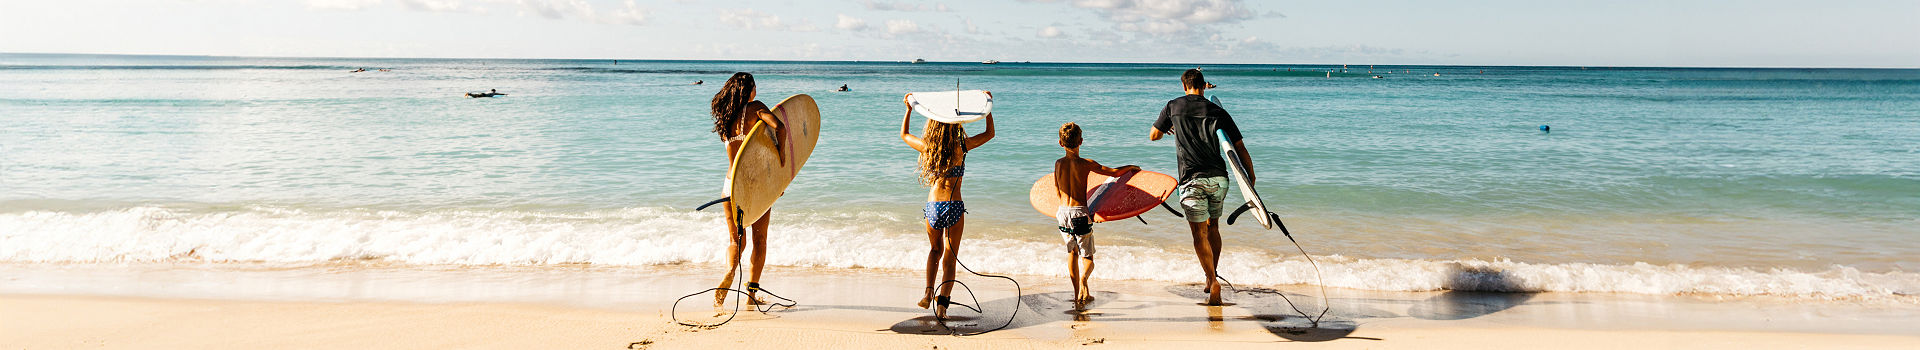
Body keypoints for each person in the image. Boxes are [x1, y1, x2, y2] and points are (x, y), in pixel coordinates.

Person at [1147, 68, 1249, 306]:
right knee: (1214, 227)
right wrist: (1249, 177)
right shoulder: (1217, 110)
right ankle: (1209, 276)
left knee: (1198, 233)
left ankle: (1213, 281)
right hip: (1218, 179)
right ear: (1203, 87)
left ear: (1184, 86)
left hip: (1191, 181)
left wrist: (1168, 127)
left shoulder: (1174, 106)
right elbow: (1239, 147)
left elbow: (1153, 135)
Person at [899, 94, 995, 319]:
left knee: (934, 250)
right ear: (955, 125)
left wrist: (909, 109)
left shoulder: (928, 148)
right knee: (950, 257)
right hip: (954, 206)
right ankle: (942, 305)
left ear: (933, 125)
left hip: (933, 207)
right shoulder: (962, 145)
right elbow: (989, 134)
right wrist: (987, 109)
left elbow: (904, 135)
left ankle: (927, 292)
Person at [708, 72, 788, 308]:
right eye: (755, 85)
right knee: (759, 240)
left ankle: (730, 271)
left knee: (735, 240)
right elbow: (780, 127)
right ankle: (751, 294)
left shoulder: (725, 117)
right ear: (748, 89)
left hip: (730, 184)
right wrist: (781, 158)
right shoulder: (756, 108)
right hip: (757, 186)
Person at [1051, 122, 1138, 304]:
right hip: (1080, 213)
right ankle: (1084, 280)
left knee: (1072, 254)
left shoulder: (1058, 164)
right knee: (1088, 257)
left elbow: (1057, 189)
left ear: (1060, 143)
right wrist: (1131, 167)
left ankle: (1078, 295)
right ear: (1081, 141)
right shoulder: (1085, 164)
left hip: (1062, 213)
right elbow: (1114, 173)